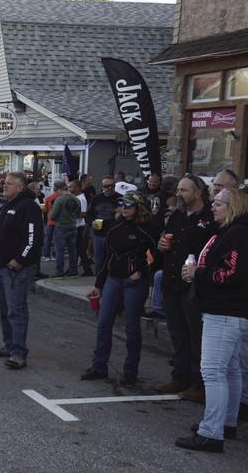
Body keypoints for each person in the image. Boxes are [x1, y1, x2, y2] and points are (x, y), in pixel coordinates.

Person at [175, 188, 248, 452]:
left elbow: (231, 273)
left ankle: (211, 432)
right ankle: (225, 423)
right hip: (226, 311)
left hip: (225, 311)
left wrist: (198, 273)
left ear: (233, 206)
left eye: (218, 204)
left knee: (213, 372)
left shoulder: (237, 232)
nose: (213, 208)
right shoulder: (230, 231)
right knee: (229, 369)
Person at [82, 191, 159, 385]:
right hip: (113, 280)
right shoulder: (115, 227)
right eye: (122, 205)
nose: (124, 208)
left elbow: (156, 256)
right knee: (103, 323)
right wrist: (98, 285)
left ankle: (130, 371)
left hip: (133, 282)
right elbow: (108, 258)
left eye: (129, 205)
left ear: (138, 207)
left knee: (131, 327)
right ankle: (99, 366)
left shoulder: (147, 228)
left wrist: (141, 272)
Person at [155, 174, 215, 402]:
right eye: (178, 190)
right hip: (172, 281)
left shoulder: (210, 217)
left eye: (184, 190)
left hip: (194, 286)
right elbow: (166, 240)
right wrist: (162, 244)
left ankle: (199, 383)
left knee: (195, 336)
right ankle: (179, 377)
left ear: (198, 193)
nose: (178, 194)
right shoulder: (178, 215)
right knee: (177, 333)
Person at [0, 172, 44, 370]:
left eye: (9, 184)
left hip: (17, 269)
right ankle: (9, 344)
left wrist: (20, 259)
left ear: (20, 188)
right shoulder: (7, 205)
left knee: (16, 310)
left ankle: (18, 353)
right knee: (4, 309)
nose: (4, 186)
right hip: (2, 266)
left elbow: (33, 238)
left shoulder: (28, 207)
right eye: (4, 184)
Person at [88, 176, 121, 278]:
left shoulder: (120, 198)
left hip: (114, 234)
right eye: (107, 186)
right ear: (102, 187)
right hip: (99, 234)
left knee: (113, 259)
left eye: (112, 186)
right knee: (99, 260)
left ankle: (111, 280)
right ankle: (98, 282)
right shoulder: (97, 198)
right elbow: (89, 214)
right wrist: (92, 222)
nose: (110, 188)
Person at [49, 181, 80, 277]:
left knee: (59, 250)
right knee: (72, 250)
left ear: (59, 189)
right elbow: (78, 214)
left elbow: (53, 216)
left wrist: (50, 214)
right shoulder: (76, 199)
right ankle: (73, 270)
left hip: (61, 226)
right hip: (73, 225)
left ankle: (59, 271)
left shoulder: (59, 200)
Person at [41, 181, 64, 262]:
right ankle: (55, 255)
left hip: (50, 221)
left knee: (48, 239)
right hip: (60, 222)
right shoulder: (63, 197)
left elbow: (45, 210)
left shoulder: (49, 198)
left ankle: (46, 255)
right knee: (57, 240)